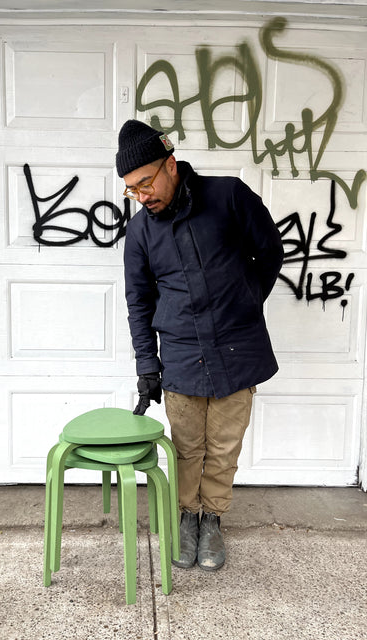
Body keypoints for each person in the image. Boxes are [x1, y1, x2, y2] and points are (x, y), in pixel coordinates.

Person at [117, 119, 284, 571]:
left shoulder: (229, 196)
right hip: (181, 356)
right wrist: (147, 366)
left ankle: (212, 518)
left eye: (145, 182)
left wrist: (246, 300)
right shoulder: (141, 232)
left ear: (170, 165)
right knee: (188, 447)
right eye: (132, 189)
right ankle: (187, 516)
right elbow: (139, 301)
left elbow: (270, 251)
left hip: (237, 350)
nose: (141, 195)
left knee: (224, 447)